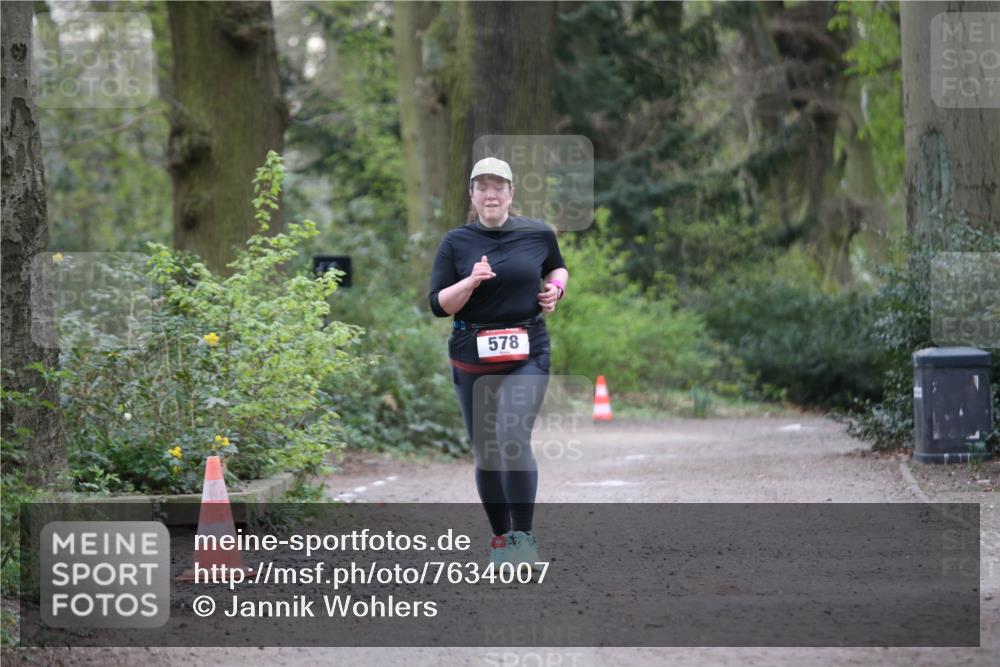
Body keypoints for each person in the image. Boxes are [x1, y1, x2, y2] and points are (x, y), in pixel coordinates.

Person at [428, 157, 569, 569]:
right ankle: (502, 540)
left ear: (511, 193)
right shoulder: (456, 242)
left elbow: (557, 266)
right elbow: (437, 305)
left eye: (499, 186)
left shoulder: (538, 233)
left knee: (511, 435)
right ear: (472, 195)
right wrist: (470, 282)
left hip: (527, 350)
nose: (491, 194)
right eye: (482, 186)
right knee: (486, 451)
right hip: (472, 356)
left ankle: (524, 538)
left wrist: (555, 289)